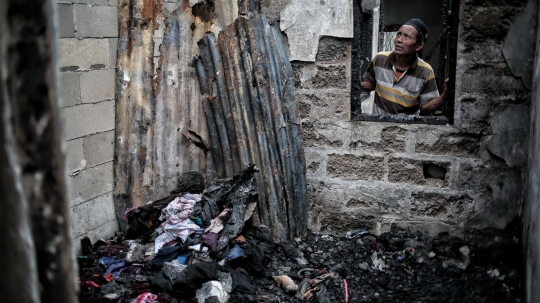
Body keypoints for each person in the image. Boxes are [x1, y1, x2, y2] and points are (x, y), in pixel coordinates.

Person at [360, 19, 449, 115]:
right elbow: (371, 84)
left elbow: (425, 108)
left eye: (406, 36)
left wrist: (445, 95)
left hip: (405, 128)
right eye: (399, 34)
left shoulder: (425, 71)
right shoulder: (380, 59)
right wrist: (353, 82)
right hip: (377, 127)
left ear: (418, 46)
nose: (399, 40)